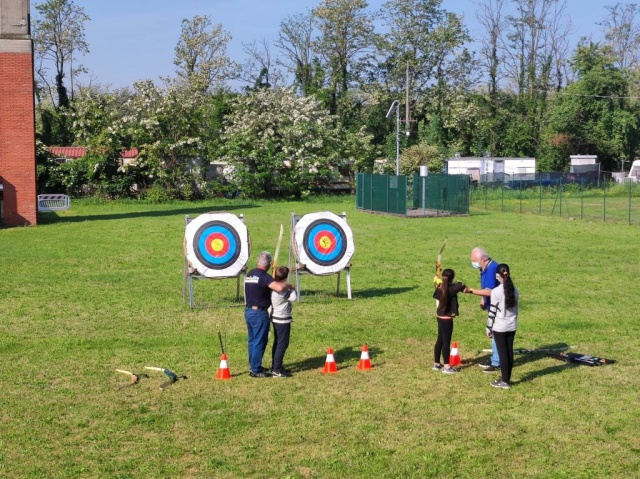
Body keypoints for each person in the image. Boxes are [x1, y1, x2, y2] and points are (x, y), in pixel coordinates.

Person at [244, 251, 293, 378]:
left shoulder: (251, 273)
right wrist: (289, 285)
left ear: (258, 262)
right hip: (259, 313)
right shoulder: (265, 277)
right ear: (269, 264)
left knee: (252, 340)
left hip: (249, 311)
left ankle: (254, 365)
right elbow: (279, 288)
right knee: (259, 341)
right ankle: (255, 370)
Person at [468, 247, 501, 373]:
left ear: (483, 259)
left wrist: (471, 291)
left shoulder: (493, 269)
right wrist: (483, 299)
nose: (473, 263)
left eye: (474, 260)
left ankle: (497, 362)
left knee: (496, 334)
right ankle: (495, 358)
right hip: (491, 306)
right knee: (493, 333)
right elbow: (486, 288)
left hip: (498, 308)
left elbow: (490, 291)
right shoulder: (484, 268)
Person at [487, 264, 519, 389]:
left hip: (500, 327)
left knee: (503, 354)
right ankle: (507, 378)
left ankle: (505, 381)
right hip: (512, 325)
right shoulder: (515, 290)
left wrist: (488, 328)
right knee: (509, 352)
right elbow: (516, 311)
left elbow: (492, 312)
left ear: (497, 276)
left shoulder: (495, 292)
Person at [432, 268, 468, 374]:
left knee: (440, 340)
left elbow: (438, 292)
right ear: (452, 278)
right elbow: (461, 285)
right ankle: (447, 366)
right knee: (446, 342)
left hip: (439, 317)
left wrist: (437, 282)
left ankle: (437, 363)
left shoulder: (440, 288)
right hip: (447, 319)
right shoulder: (451, 289)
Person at [270, 266, 297, 378]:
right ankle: (276, 370)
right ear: (285, 277)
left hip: (276, 318)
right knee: (282, 344)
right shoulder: (282, 290)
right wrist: (292, 288)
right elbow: (294, 298)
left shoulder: (274, 286)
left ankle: (276, 367)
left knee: (278, 342)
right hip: (282, 319)